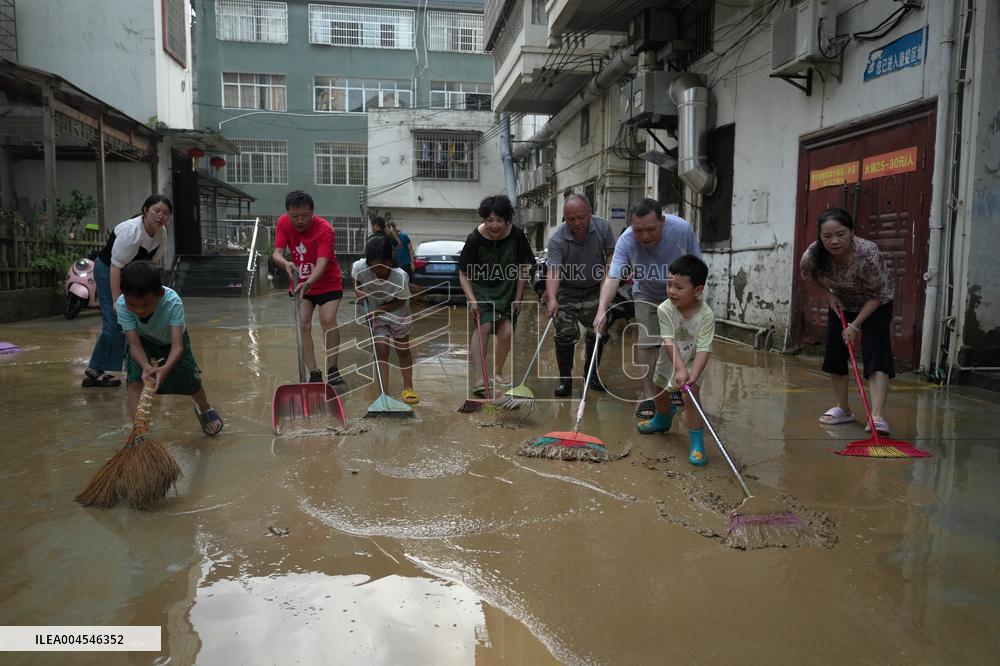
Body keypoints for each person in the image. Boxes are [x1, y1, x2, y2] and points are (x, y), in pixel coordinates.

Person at [593, 198, 701, 419]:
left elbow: (697, 266)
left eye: (651, 229)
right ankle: (649, 395)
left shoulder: (681, 230)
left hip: (680, 293)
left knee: (680, 341)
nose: (645, 236)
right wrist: (602, 308)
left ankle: (675, 388)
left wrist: (693, 299)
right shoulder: (626, 241)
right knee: (647, 340)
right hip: (646, 292)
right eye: (638, 230)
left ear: (662, 221)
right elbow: (613, 278)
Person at [800, 207, 896, 435]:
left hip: (875, 303)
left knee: (876, 353)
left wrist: (855, 325)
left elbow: (876, 295)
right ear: (820, 236)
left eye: (840, 234)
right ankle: (843, 409)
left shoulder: (867, 253)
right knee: (835, 354)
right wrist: (829, 295)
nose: (834, 241)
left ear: (852, 232)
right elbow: (809, 278)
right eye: (827, 236)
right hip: (842, 301)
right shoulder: (813, 255)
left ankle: (877, 416)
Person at [117, 261, 222, 435]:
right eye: (132, 305)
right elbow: (134, 344)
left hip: (171, 342)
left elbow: (178, 345)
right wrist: (145, 366)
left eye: (145, 305)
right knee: (134, 382)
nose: (138, 310)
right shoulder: (122, 305)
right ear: (124, 295)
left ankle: (204, 407)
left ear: (160, 294)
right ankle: (139, 429)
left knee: (190, 380)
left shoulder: (172, 302)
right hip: (142, 341)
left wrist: (165, 368)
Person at [82, 194, 171, 387]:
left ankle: (142, 363)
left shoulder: (161, 232)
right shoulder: (132, 231)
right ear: (145, 211)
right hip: (108, 272)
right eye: (156, 211)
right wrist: (117, 301)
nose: (160, 216)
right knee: (116, 320)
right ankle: (95, 370)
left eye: (165, 213)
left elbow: (152, 264)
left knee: (139, 319)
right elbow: (115, 267)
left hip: (131, 274)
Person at [636, 255, 714, 467]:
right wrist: (679, 369)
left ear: (697, 290)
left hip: (694, 360)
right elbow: (668, 340)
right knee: (660, 390)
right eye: (669, 284)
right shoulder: (665, 309)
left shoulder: (706, 315)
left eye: (679, 287)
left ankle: (697, 442)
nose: (671, 291)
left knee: (691, 398)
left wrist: (692, 375)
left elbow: (704, 348)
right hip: (670, 358)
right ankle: (662, 419)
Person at [458, 194, 535, 394]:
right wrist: (472, 300)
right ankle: (479, 378)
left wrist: (518, 298)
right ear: (484, 219)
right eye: (489, 220)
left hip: (507, 290)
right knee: (484, 326)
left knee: (507, 332)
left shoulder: (516, 236)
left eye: (499, 220)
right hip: (482, 290)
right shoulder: (475, 239)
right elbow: (463, 273)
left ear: (507, 220)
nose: (494, 225)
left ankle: (497, 372)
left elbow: (523, 268)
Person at [272, 190, 345, 386]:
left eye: (305, 215)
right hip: (299, 283)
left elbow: (322, 264)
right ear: (288, 213)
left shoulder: (325, 229)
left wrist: (310, 282)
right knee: (302, 325)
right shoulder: (283, 223)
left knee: (327, 320)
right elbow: (276, 253)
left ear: (313, 211)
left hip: (327, 281)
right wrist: (285, 263)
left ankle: (333, 368)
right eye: (294, 216)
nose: (300, 221)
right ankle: (314, 373)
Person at [546, 193, 615, 396]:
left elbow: (611, 253)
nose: (576, 222)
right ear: (564, 218)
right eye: (570, 219)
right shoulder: (558, 239)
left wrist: (607, 277)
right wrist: (551, 298)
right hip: (567, 289)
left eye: (581, 217)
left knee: (598, 331)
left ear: (590, 214)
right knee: (565, 334)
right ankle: (565, 381)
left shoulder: (603, 227)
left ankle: (591, 375)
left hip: (595, 287)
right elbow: (554, 271)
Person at [351, 235, 418, 405]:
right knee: (381, 350)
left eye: (382, 268)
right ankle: (384, 393)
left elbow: (402, 300)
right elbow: (356, 278)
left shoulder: (400, 276)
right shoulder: (361, 267)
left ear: (390, 260)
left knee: (402, 350)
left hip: (399, 314)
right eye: (374, 268)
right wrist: (358, 292)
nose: (378, 272)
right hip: (377, 314)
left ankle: (408, 387)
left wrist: (380, 309)